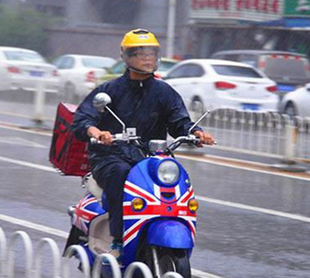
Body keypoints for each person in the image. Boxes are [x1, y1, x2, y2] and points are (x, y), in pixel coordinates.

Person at [72, 29, 215, 259]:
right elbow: (83, 119)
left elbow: (180, 121)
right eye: (140, 53)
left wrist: (196, 132)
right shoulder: (109, 90)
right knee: (120, 174)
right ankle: (119, 239)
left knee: (175, 178)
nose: (147, 58)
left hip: (149, 159)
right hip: (111, 156)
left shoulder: (164, 91)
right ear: (127, 57)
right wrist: (96, 131)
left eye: (151, 53)